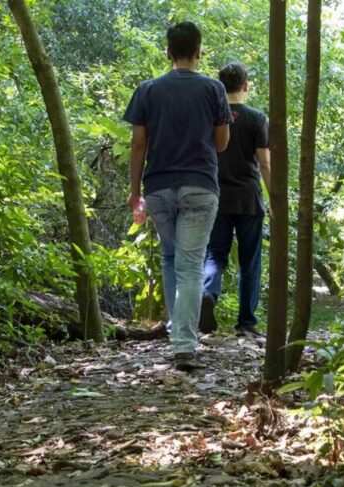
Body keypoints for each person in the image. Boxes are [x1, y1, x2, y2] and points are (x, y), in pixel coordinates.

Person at [123, 21, 233, 371]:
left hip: (158, 187)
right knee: (190, 265)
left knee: (171, 260)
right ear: (199, 52)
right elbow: (222, 143)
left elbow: (138, 145)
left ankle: (177, 333)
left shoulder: (147, 90)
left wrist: (134, 192)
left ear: (168, 52)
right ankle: (184, 345)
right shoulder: (214, 89)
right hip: (200, 186)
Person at [198, 61, 271, 338]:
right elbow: (265, 162)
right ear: (246, 85)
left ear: (220, 86)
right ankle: (246, 322)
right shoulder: (256, 118)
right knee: (250, 261)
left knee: (215, 254)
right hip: (248, 199)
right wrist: (275, 199)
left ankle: (208, 293)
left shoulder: (210, 116)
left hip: (216, 196)